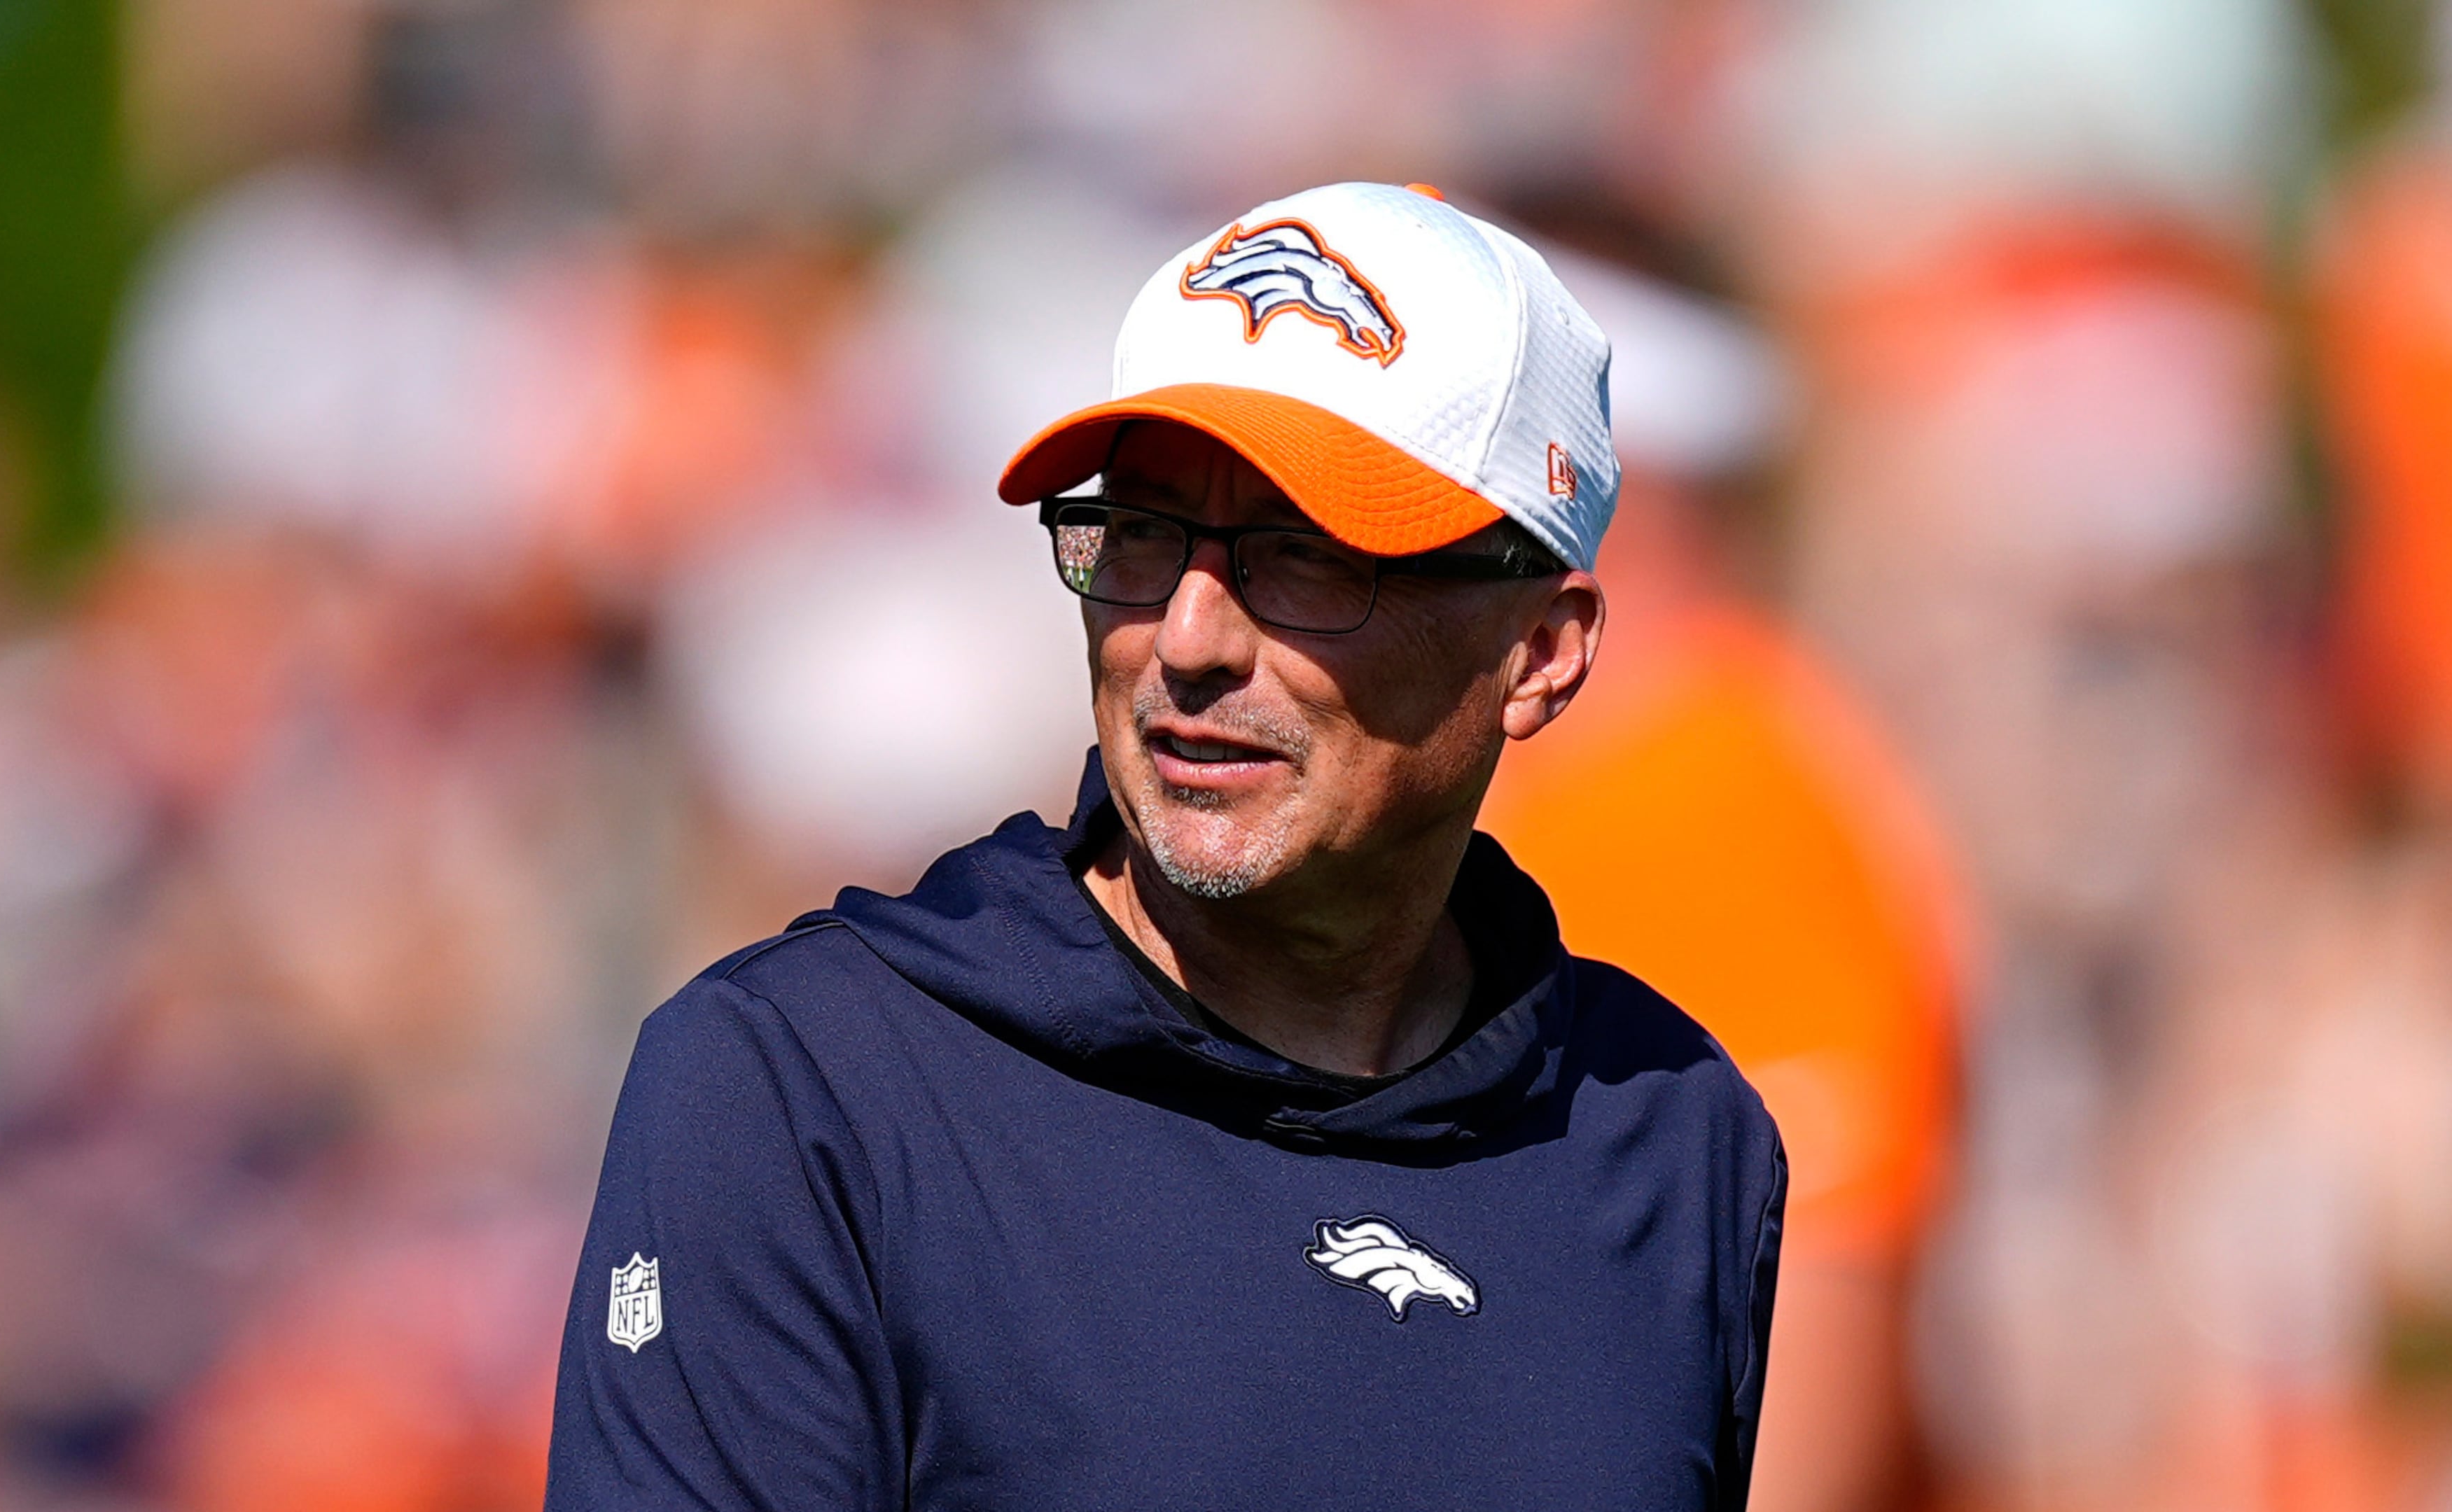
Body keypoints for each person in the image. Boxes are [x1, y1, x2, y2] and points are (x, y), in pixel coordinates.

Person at [545, 182, 1786, 1511]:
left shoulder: (1674, 1139)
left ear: (1538, 652)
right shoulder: (809, 1090)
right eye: (1141, 535)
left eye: (1304, 555)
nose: (1185, 640)